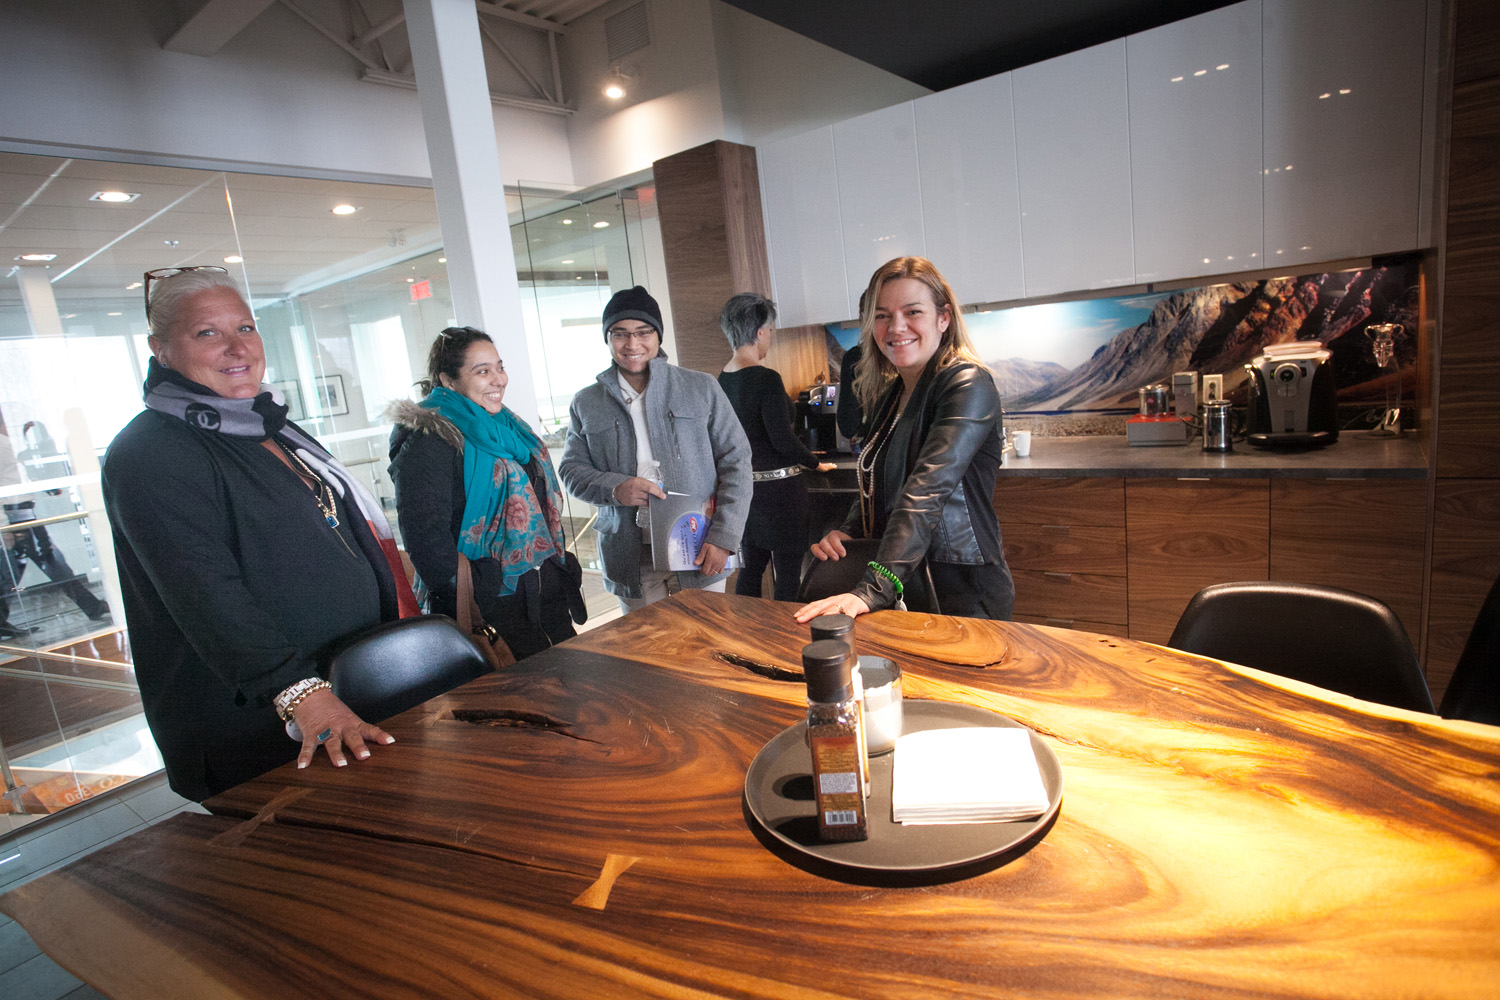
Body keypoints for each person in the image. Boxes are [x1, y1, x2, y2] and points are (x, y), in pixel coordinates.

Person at [102, 266, 418, 801]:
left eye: (245, 328)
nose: (237, 347)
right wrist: (299, 692)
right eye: (208, 332)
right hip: (265, 722)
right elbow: (204, 591)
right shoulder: (149, 451)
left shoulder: (267, 425)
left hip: (349, 687)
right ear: (160, 350)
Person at [794, 256, 1013, 623]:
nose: (896, 327)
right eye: (882, 316)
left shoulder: (967, 383)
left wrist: (873, 588)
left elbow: (926, 489)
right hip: (907, 582)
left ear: (943, 318)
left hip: (959, 588)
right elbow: (877, 481)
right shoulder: (894, 393)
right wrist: (848, 533)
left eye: (913, 312)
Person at [389, 327, 583, 659]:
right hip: (491, 612)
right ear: (448, 380)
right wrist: (483, 582)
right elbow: (424, 538)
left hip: (545, 603)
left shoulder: (509, 427)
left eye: (499, 367)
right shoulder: (430, 440)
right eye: (482, 371)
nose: (499, 379)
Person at [559, 285, 751, 614]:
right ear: (608, 339)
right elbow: (571, 471)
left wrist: (724, 536)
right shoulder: (586, 402)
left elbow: (737, 461)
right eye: (620, 334)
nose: (632, 344)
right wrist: (616, 488)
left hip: (699, 543)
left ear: (658, 336)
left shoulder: (701, 387)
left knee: (706, 638)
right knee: (647, 643)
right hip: (629, 553)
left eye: (643, 332)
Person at [717, 293, 835, 602]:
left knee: (751, 570)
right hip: (781, 492)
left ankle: (748, 628)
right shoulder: (767, 379)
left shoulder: (722, 380)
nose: (770, 336)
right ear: (759, 332)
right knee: (788, 573)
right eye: (770, 329)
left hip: (745, 492)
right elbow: (781, 438)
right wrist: (815, 463)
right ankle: (783, 630)